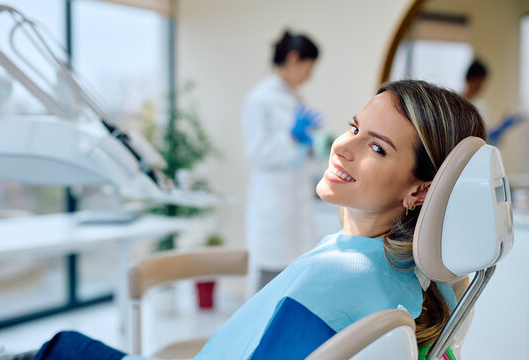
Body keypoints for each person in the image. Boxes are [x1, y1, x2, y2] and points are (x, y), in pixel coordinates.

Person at [28, 79, 486, 360]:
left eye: (377, 147)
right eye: (353, 127)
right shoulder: (435, 284)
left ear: (421, 189)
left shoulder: (334, 279)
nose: (342, 147)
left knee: (62, 346)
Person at [242, 30, 322, 291]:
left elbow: (299, 151)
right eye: (309, 67)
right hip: (272, 206)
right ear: (293, 59)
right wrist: (291, 137)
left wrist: (310, 145)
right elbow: (256, 153)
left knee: (294, 279)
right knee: (269, 284)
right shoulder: (260, 98)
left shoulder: (296, 97)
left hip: (296, 202)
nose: (310, 76)